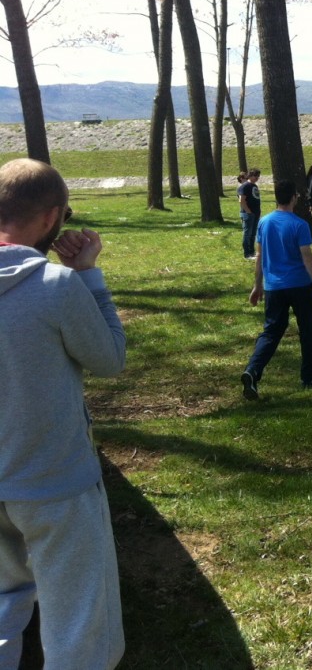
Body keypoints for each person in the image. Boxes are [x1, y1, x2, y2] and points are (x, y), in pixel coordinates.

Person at [0, 158, 127, 669]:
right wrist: (90, 276)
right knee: (76, 625)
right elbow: (109, 359)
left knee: (4, 602)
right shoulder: (56, 287)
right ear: (53, 217)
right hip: (56, 484)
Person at [241, 180, 312, 399]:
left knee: (271, 332)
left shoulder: (264, 222)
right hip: (299, 286)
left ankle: (253, 370)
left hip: (274, 288)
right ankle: (308, 377)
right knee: (308, 331)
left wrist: (258, 285)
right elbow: (307, 258)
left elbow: (260, 256)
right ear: (293, 197)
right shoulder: (299, 224)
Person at [238, 168, 261, 259]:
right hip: (248, 214)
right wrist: (248, 211)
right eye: (255, 176)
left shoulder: (254, 186)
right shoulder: (245, 186)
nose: (257, 178)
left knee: (253, 234)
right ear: (250, 175)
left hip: (255, 213)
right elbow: (241, 200)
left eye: (258, 176)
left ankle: (252, 252)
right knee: (247, 234)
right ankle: (247, 254)